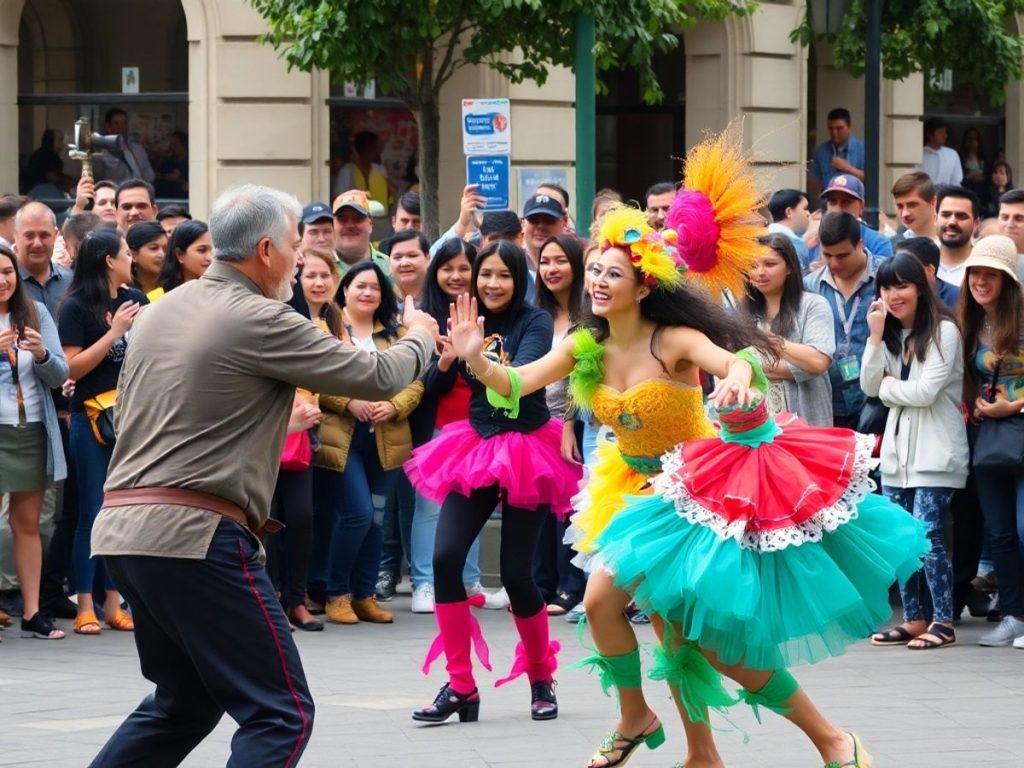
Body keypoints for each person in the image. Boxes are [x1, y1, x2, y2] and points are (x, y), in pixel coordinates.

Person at [445, 133, 785, 764]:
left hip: (690, 493)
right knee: (634, 616)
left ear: (643, 284)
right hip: (628, 488)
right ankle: (662, 729)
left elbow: (732, 359)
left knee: (683, 634)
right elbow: (518, 383)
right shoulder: (584, 343)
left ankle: (771, 739)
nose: (597, 281)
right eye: (595, 269)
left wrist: (738, 377)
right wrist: (476, 363)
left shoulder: (676, 337)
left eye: (612, 273)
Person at [85, 185, 439, 766]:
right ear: (268, 249)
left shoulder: (159, 311)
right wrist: (422, 334)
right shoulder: (259, 315)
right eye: (298, 248)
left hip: (125, 529)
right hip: (195, 535)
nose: (302, 263)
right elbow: (375, 376)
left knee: (183, 702)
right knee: (281, 712)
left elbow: (142, 419)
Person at [406, 240, 582, 724]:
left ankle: (541, 676)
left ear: (518, 279)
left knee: (516, 573)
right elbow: (433, 389)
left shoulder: (536, 321)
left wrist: (475, 355)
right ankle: (461, 686)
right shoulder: (465, 318)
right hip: (476, 443)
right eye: (485, 275)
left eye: (503, 275)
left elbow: (520, 377)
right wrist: (446, 358)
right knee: (444, 558)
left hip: (528, 445)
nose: (492, 284)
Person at [863, 253, 967, 650]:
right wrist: (874, 337)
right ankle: (913, 618)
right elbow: (870, 386)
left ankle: (943, 620)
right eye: (887, 287)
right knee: (901, 539)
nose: (894, 295)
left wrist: (889, 388)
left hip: (936, 456)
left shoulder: (944, 331)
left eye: (902, 285)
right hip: (896, 459)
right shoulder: (890, 335)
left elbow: (924, 393)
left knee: (929, 536)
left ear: (921, 287)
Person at [314, 261, 423, 626]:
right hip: (343, 439)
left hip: (386, 437)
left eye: (375, 287)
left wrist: (394, 405)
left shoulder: (395, 333)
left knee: (376, 520)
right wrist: (350, 402)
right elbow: (313, 379)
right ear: (344, 289)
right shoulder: (326, 329)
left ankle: (365, 595)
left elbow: (416, 380)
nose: (367, 293)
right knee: (358, 513)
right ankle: (336, 593)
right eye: (360, 285)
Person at [57, 228, 147, 637]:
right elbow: (70, 368)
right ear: (109, 260)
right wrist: (114, 332)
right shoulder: (75, 307)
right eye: (127, 253)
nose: (132, 258)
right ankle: (85, 605)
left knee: (122, 513)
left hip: (133, 419)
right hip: (90, 419)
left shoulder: (137, 300)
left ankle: (115, 603)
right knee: (91, 513)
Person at [405, 238, 487, 614]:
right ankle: (424, 582)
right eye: (447, 267)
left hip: (481, 429)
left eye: (464, 268)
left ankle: (469, 579)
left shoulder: (488, 315)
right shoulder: (424, 320)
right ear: (435, 272)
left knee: (473, 506)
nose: (455, 276)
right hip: (438, 428)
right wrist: (443, 362)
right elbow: (421, 389)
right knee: (431, 508)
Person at [954, 235, 1024, 648]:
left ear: (1007, 279)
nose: (981, 281)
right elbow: (963, 379)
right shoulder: (969, 322)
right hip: (990, 442)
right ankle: (1014, 616)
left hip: (1016, 428)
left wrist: (1012, 408)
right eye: (975, 273)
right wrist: (976, 406)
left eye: (990, 274)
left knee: (1021, 528)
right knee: (998, 533)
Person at [0, 241, 68, 640]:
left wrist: (42, 355)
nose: (3, 281)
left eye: (7, 272)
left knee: (27, 524)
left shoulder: (37, 313)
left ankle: (31, 611)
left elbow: (60, 375)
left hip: (31, 431)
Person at [533, 233, 588, 615]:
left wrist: (568, 423)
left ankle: (571, 587)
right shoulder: (536, 313)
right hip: (536, 420)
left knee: (569, 507)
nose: (552, 269)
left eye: (560, 261)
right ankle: (540, 585)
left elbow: (584, 375)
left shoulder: (590, 314)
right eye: (545, 261)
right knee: (539, 506)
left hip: (574, 422)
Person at [804, 211, 886, 428]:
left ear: (859, 244)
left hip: (878, 397)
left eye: (842, 256)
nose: (834, 263)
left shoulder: (886, 277)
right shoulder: (811, 285)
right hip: (827, 399)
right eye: (827, 255)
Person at [742, 234, 834, 425]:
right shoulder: (742, 311)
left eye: (770, 264)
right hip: (758, 426)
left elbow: (818, 361)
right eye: (753, 265)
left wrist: (769, 342)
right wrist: (796, 366)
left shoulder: (813, 305)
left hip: (806, 423)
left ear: (790, 267)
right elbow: (729, 363)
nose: (760, 272)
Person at [809, 107, 866, 195]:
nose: (834, 133)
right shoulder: (821, 151)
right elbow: (814, 181)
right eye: (831, 129)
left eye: (839, 128)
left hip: (854, 202)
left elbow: (870, 180)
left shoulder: (862, 149)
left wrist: (847, 168)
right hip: (828, 203)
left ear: (849, 127)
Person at [152, 219, 212, 299]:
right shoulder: (157, 298)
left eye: (211, 250)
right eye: (201, 250)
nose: (210, 257)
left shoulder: (220, 293)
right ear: (179, 254)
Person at [126, 220, 167, 296]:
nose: (162, 254)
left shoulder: (175, 288)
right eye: (154, 248)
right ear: (132, 255)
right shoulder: (122, 293)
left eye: (166, 249)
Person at [921, 118, 963, 186]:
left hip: (947, 194)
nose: (944, 136)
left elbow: (956, 181)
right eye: (940, 132)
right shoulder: (920, 154)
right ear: (930, 134)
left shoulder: (952, 154)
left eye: (945, 132)